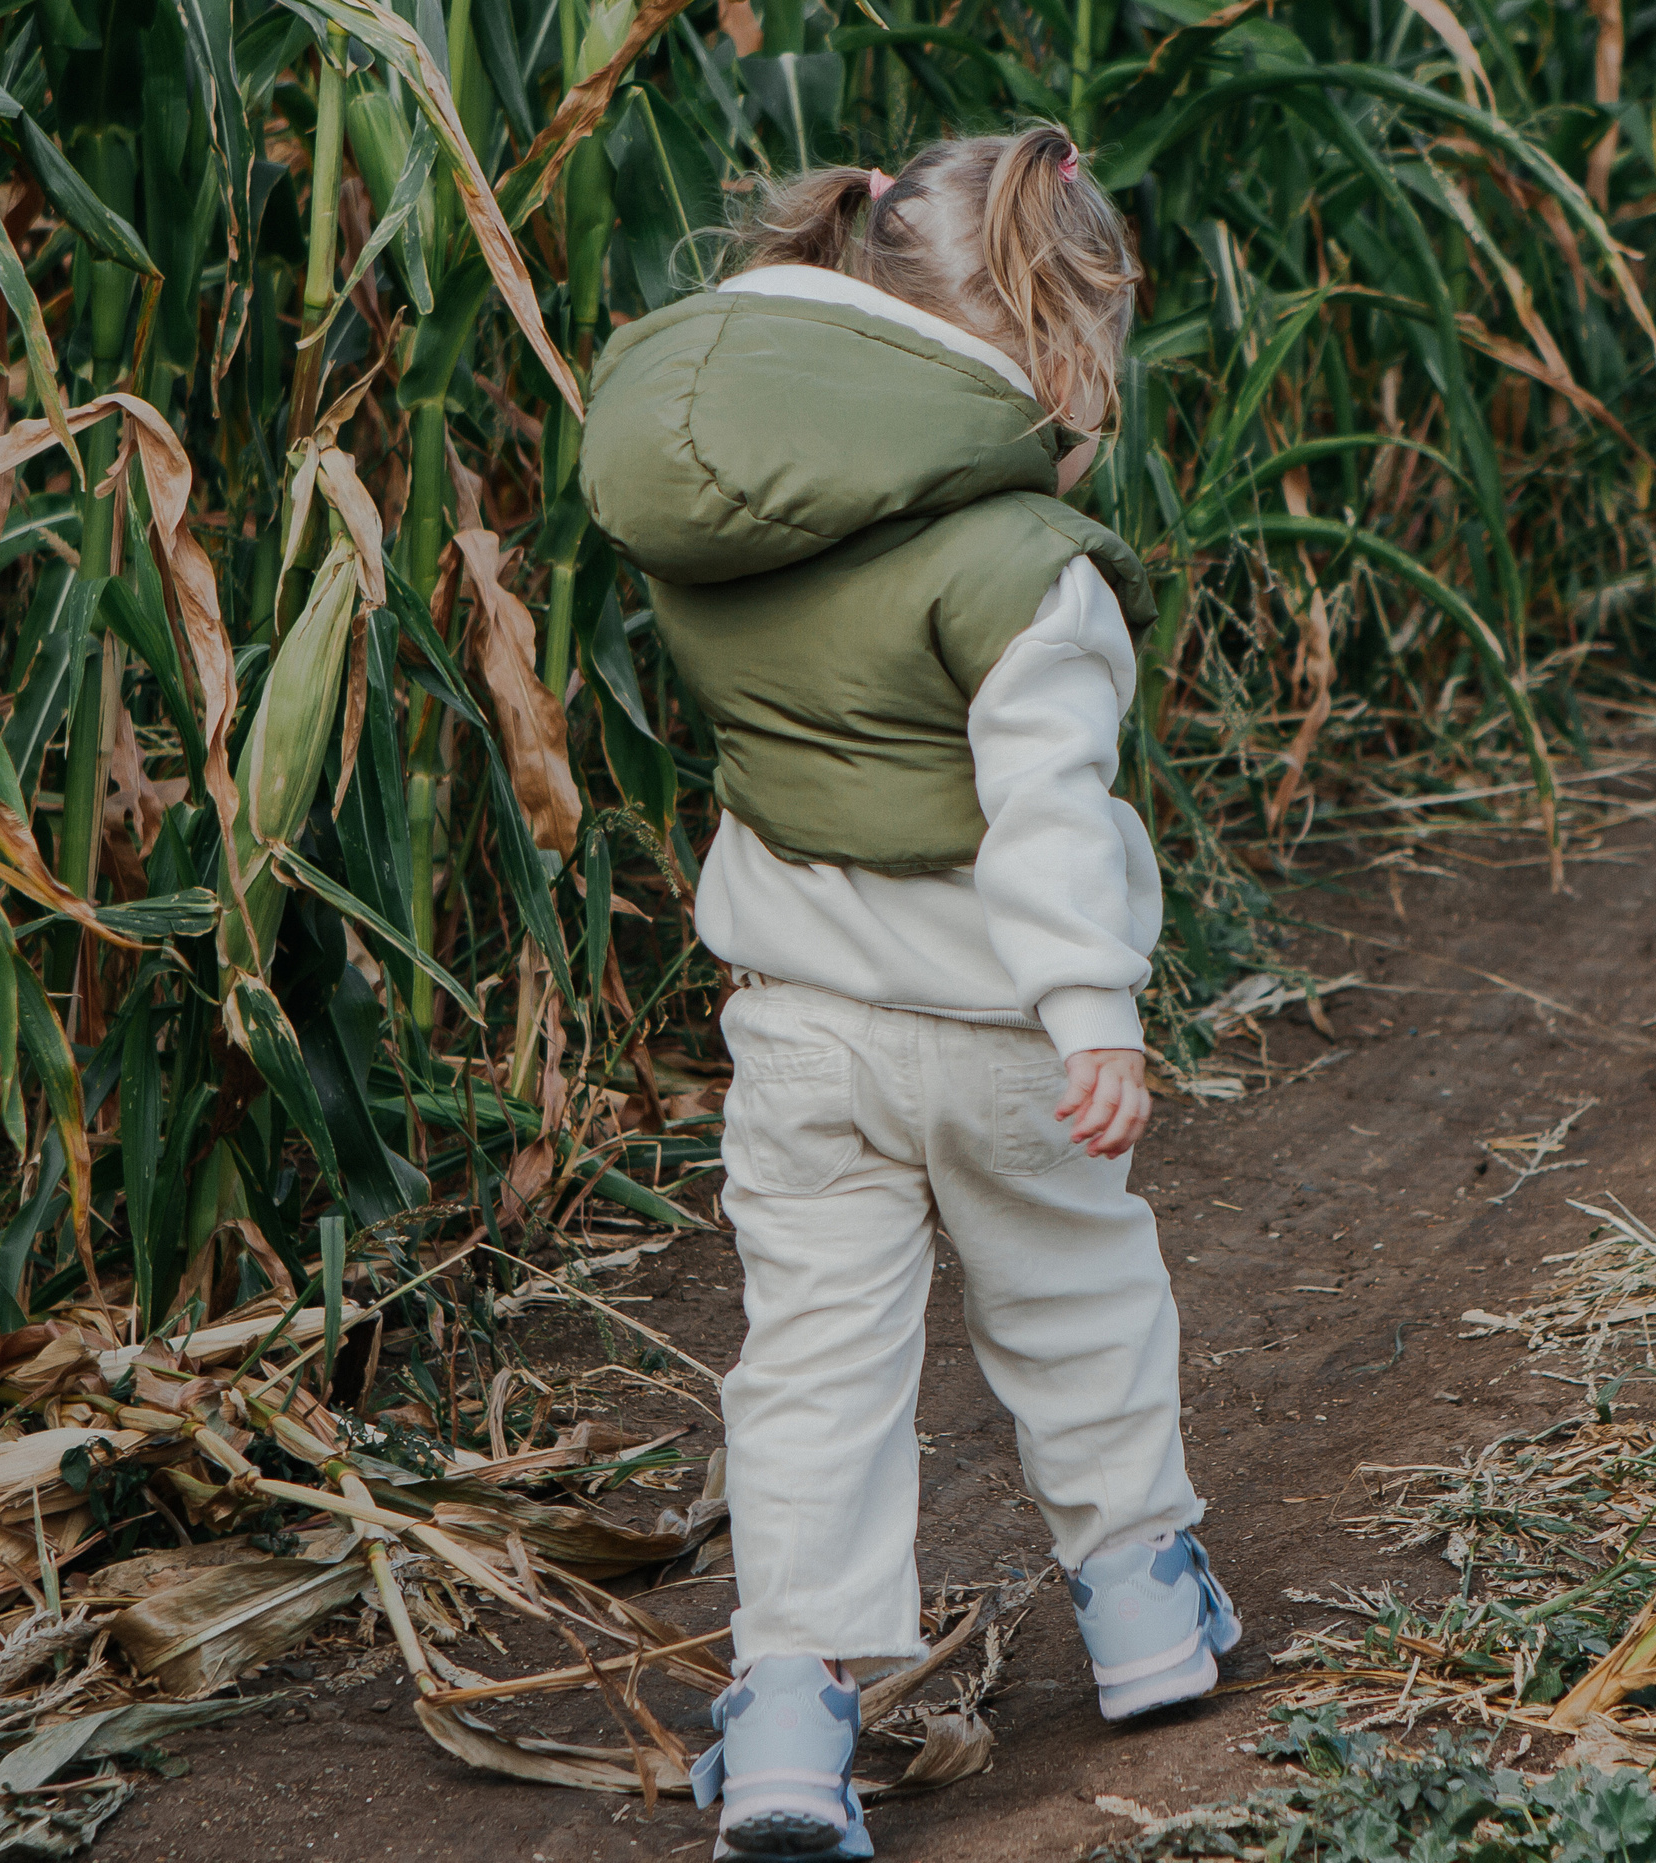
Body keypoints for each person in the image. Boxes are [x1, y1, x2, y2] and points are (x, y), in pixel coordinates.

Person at [577, 125, 1236, 1862]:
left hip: (796, 1037)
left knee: (809, 1368)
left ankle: (793, 1715)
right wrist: (1095, 1010)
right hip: (1013, 1043)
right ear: (1060, 331)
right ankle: (1145, 1613)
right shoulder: (1028, 563)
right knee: (1078, 1308)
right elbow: (1049, 817)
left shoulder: (723, 528)